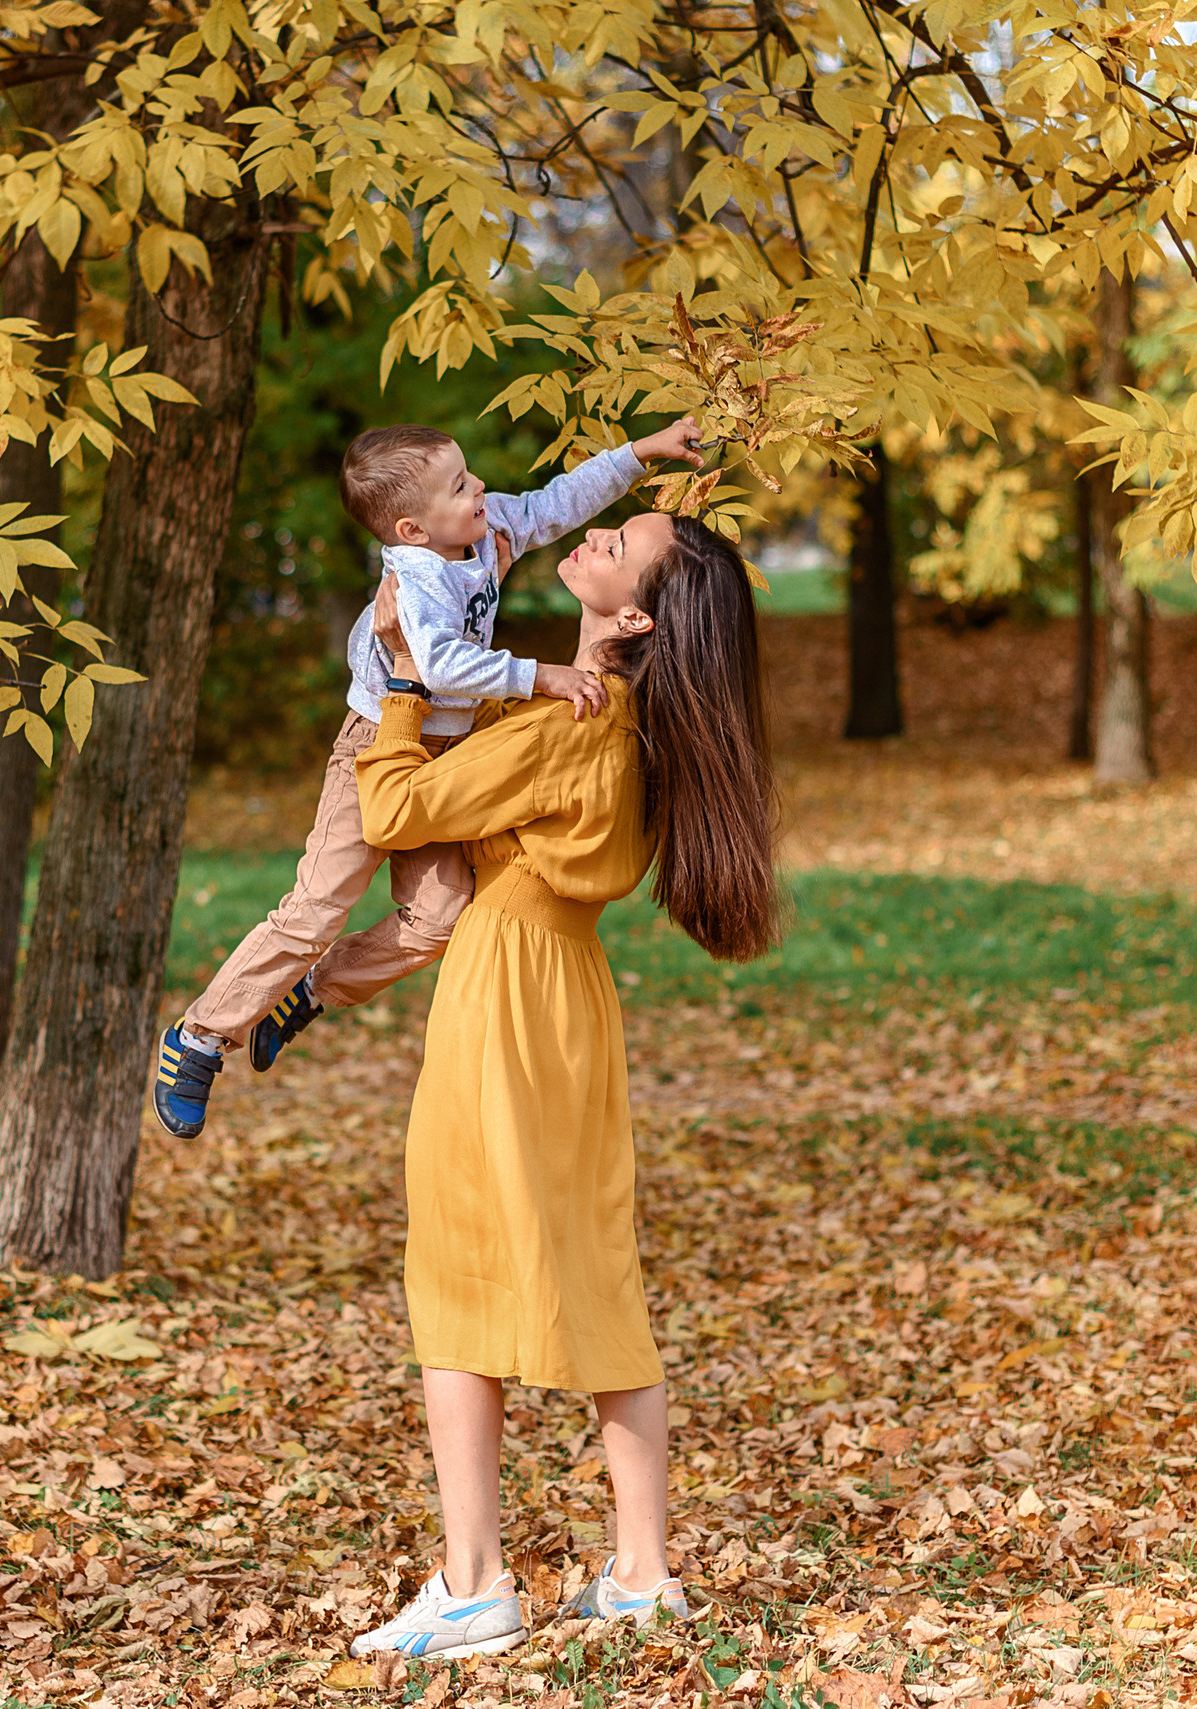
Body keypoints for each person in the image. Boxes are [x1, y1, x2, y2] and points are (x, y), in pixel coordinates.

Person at [342, 508, 780, 1661]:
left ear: (633, 613)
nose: (586, 534)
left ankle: (476, 1579)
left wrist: (393, 684)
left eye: (618, 538)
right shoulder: (629, 729)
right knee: (593, 1263)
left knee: (457, 1262)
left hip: (502, 996)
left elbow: (393, 808)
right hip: (572, 998)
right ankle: (640, 1572)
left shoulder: (566, 727)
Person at [151, 419, 704, 1139]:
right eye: (462, 485)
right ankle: (198, 1038)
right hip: (376, 744)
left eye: (470, 475)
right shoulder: (416, 578)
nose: (481, 489)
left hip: (445, 745)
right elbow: (437, 666)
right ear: (413, 528)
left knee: (439, 919)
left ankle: (312, 989)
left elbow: (557, 502)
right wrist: (539, 675)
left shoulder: (480, 528)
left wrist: (640, 453)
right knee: (316, 906)